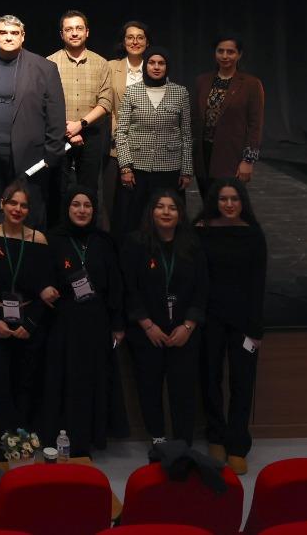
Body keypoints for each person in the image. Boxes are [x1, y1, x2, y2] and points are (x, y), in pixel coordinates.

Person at [40, 186, 126, 458]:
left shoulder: (104, 241)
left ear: (94, 210)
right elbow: (40, 275)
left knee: (92, 381)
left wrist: (117, 323)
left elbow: (115, 284)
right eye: (76, 204)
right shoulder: (52, 239)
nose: (81, 210)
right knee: (64, 379)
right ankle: (61, 438)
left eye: (87, 205)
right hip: (63, 321)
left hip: (97, 321)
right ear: (67, 208)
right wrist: (44, 288)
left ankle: (88, 438)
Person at [0, 181, 55, 454]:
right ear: (2, 204)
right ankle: (9, 443)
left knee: (26, 387)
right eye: (13, 203)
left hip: (29, 323)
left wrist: (29, 324)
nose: (18, 209)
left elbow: (48, 289)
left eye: (23, 205)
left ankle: (22, 445)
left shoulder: (39, 240)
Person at [123, 189, 208, 445]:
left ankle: (183, 443)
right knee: (149, 387)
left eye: (172, 208)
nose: (166, 212)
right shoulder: (136, 243)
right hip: (148, 332)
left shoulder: (192, 245)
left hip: (184, 332)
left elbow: (202, 287)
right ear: (151, 212)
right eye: (160, 207)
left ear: (180, 214)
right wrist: (147, 325)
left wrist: (188, 325)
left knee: (184, 390)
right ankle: (157, 439)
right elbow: (129, 287)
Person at [194, 178, 266, 475]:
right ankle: (216, 436)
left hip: (243, 321)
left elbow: (258, 283)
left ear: (242, 202)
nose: (229, 204)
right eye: (223, 199)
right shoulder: (201, 231)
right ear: (215, 201)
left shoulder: (254, 235)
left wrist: (256, 329)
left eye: (234, 199)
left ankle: (237, 444)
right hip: (210, 318)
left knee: (242, 382)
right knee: (210, 378)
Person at [0, 15, 67, 230]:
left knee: (27, 218)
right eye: (3, 33)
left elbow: (56, 115)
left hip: (29, 159)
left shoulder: (44, 67)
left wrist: (52, 155)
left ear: (23, 36)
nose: (8, 37)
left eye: (14, 33)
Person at [45, 11, 115, 228]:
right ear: (62, 34)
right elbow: (44, 102)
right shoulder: (49, 63)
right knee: (57, 190)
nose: (74, 33)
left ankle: (88, 237)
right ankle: (59, 237)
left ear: (87, 32)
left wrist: (80, 125)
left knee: (89, 191)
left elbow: (106, 102)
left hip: (91, 135)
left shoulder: (101, 63)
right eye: (69, 29)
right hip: (59, 135)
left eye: (78, 28)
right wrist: (68, 129)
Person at [114, 46, 194, 233]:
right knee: (136, 219)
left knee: (169, 218)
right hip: (138, 169)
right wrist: (125, 167)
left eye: (161, 63)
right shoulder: (132, 92)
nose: (156, 67)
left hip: (170, 169)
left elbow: (186, 134)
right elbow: (121, 132)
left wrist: (187, 170)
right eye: (151, 62)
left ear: (167, 66)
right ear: (145, 65)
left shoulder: (180, 92)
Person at [193, 33, 265, 188]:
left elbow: (255, 126)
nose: (225, 56)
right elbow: (194, 120)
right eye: (220, 51)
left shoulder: (251, 84)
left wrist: (248, 161)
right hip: (203, 156)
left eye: (230, 52)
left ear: (239, 55)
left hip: (231, 156)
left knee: (227, 199)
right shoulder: (202, 81)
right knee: (208, 200)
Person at [102, 21, 151, 232]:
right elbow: (106, 104)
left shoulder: (155, 67)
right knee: (113, 203)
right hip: (115, 145)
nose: (135, 41)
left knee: (141, 204)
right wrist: (120, 133)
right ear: (123, 42)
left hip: (145, 147)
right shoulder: (110, 67)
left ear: (147, 42)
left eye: (140, 37)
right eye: (130, 37)